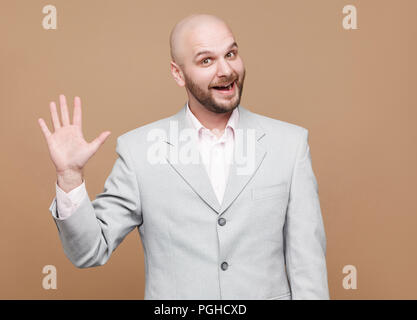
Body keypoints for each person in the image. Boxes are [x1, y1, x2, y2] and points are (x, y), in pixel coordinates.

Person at [37, 13, 329, 300]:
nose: (225, 70)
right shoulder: (140, 151)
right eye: (206, 60)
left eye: (231, 54)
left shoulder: (290, 145)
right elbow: (89, 250)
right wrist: (70, 178)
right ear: (178, 73)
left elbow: (308, 267)